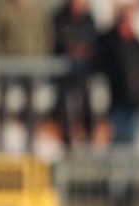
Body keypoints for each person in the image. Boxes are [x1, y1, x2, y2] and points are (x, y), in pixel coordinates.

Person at [0, 0, 51, 152]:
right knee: (3, 104)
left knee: (30, 105)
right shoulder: (3, 11)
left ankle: (30, 142)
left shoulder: (36, 12)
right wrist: (2, 59)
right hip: (8, 65)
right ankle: (0, 142)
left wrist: (38, 59)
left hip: (30, 66)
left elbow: (44, 37)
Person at [97, 1, 139, 146]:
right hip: (118, 103)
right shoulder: (110, 40)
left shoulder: (136, 42)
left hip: (135, 103)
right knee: (119, 145)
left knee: (131, 145)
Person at [52, 0, 97, 150]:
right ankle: (66, 143)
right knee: (63, 105)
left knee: (86, 104)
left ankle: (87, 139)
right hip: (64, 73)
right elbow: (56, 41)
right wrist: (69, 48)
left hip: (83, 73)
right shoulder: (59, 18)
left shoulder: (88, 18)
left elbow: (93, 41)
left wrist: (83, 50)